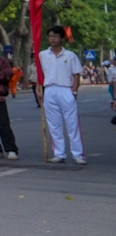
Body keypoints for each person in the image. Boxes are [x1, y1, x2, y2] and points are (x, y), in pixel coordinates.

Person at [39, 27, 86, 165]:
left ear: (62, 38)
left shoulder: (70, 55)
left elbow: (76, 74)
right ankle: (59, 153)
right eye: (50, 36)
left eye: (56, 36)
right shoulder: (42, 55)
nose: (53, 39)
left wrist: (74, 91)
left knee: (73, 124)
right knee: (54, 125)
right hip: (49, 90)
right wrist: (39, 88)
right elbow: (40, 74)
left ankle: (78, 154)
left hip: (66, 89)